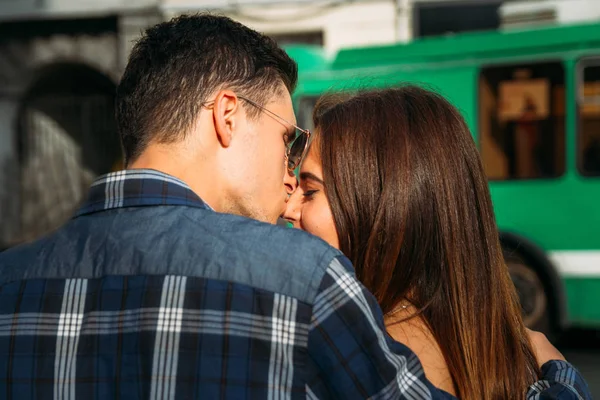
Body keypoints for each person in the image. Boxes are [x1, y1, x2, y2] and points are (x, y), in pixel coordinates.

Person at [0, 14, 589, 400]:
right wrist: (559, 377)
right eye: (288, 141)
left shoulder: (9, 284)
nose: (287, 189)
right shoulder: (295, 281)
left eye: (308, 182)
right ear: (227, 117)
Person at [284, 86, 591, 398]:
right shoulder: (518, 359)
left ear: (386, 205)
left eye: (309, 191)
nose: (288, 208)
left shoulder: (347, 363)